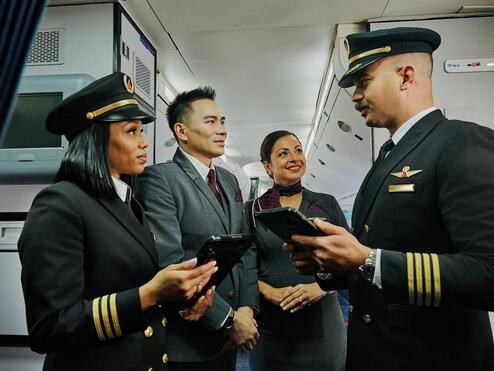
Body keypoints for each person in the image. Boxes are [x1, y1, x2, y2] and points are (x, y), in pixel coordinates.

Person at [286, 27, 494, 371]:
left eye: (363, 81)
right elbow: (380, 253)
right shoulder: (388, 156)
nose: (355, 96)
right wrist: (329, 263)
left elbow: (488, 273)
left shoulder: (461, 143)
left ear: (406, 76)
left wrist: (367, 260)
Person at [18, 72, 218, 371]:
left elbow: (135, 284)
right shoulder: (60, 203)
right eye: (131, 131)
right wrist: (152, 293)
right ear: (97, 138)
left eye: (141, 131)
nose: (142, 143)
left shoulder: (128, 204)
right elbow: (50, 326)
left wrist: (183, 297)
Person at [136, 87, 259, 371]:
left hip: (231, 336)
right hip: (190, 341)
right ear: (181, 130)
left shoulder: (227, 180)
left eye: (223, 121)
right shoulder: (160, 179)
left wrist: (246, 309)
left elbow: (246, 246)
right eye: (210, 122)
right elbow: (170, 260)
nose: (222, 130)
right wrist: (228, 319)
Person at [246, 130, 347, 371]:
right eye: (284, 153)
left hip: (322, 323)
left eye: (298, 150)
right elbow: (244, 265)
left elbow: (347, 260)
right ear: (268, 167)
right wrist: (269, 292)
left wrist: (320, 287)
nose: (294, 157)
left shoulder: (327, 203)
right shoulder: (252, 210)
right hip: (271, 326)